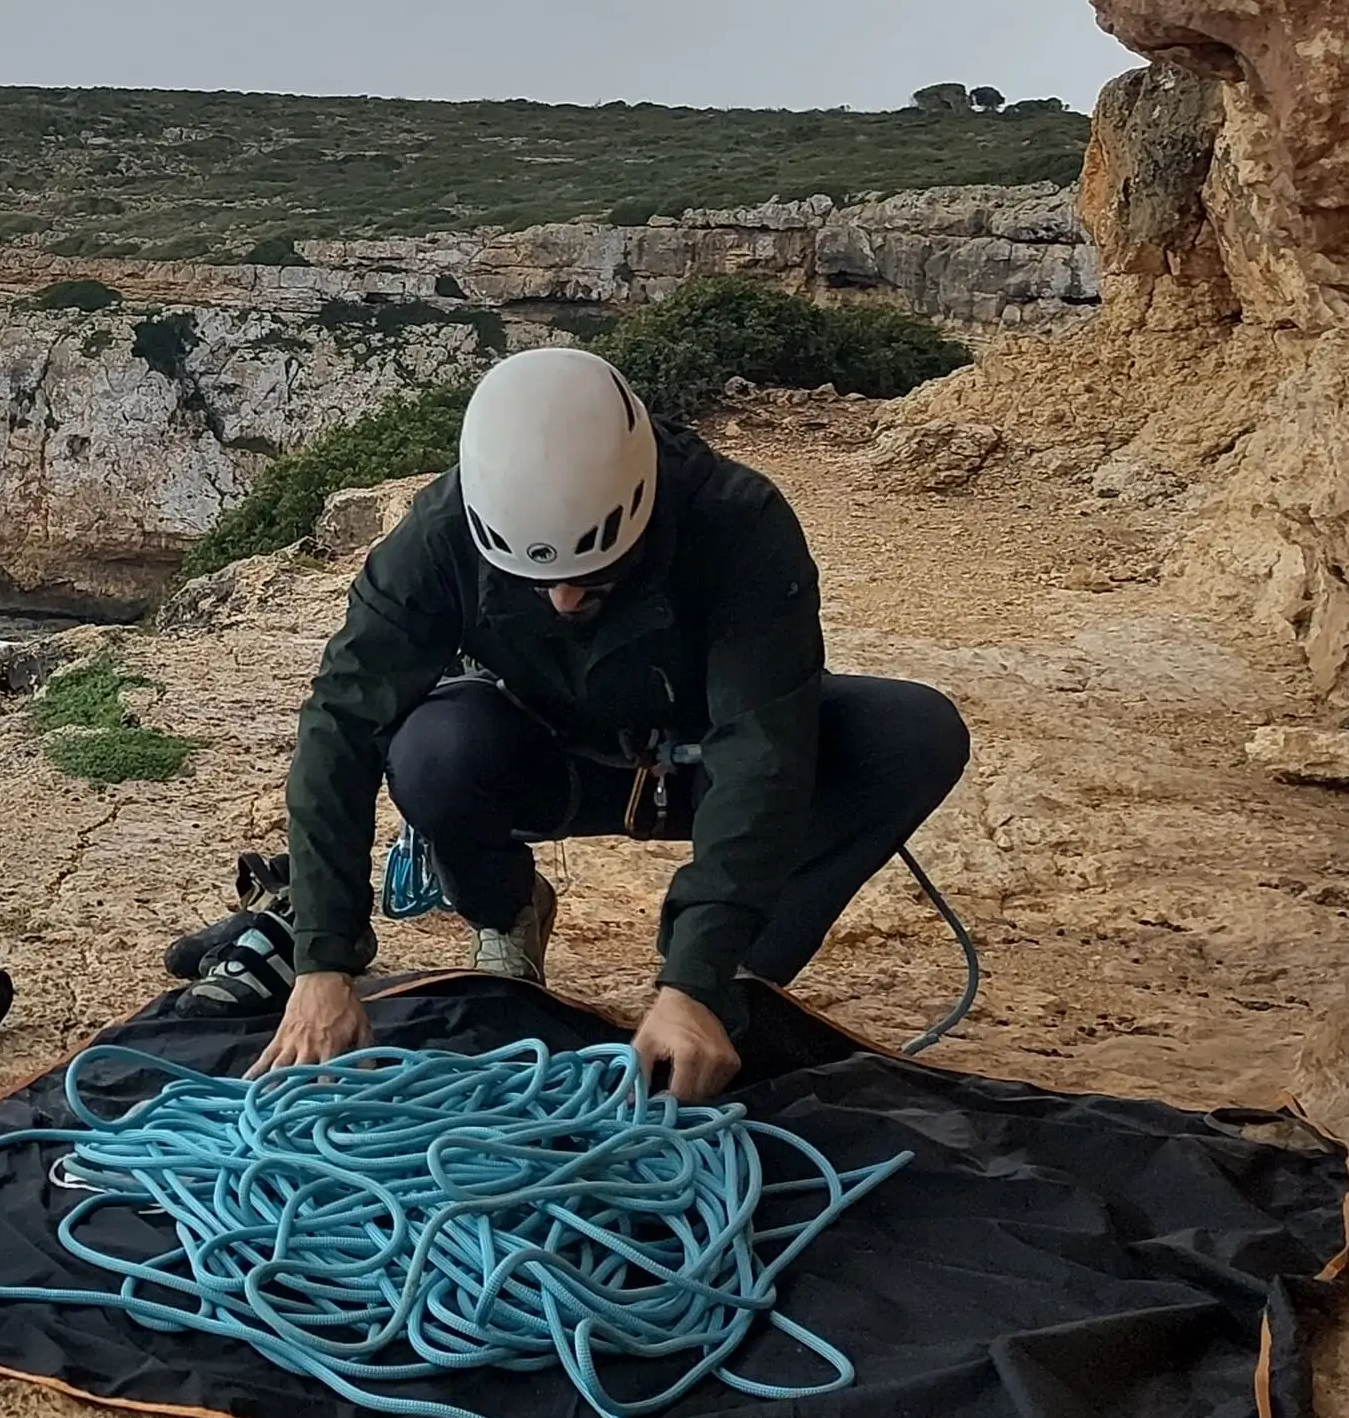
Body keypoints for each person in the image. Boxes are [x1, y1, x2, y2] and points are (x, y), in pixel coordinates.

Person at [262, 343, 970, 1105]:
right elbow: (340, 724)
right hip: (550, 759)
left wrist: (695, 973)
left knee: (911, 734)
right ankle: (507, 913)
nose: (565, 602)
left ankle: (733, 983)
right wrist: (323, 962)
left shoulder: (739, 525)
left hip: (702, 766)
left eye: (594, 580)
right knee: (432, 748)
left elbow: (761, 753)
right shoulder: (435, 540)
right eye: (540, 584)